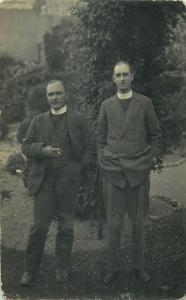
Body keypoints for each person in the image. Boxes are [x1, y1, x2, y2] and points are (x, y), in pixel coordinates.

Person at [19, 80, 93, 285]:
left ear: (65, 94)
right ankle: (30, 270)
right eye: (50, 94)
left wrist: (78, 168)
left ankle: (62, 267)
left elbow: (90, 148)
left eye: (58, 93)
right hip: (45, 183)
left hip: (68, 182)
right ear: (47, 97)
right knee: (39, 228)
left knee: (66, 227)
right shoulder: (38, 120)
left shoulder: (79, 119)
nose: (54, 97)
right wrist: (42, 150)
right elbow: (25, 147)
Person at [97, 61, 162, 284]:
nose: (122, 78)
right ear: (113, 79)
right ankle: (113, 268)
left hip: (138, 171)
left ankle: (138, 266)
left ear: (132, 76)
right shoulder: (106, 105)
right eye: (118, 75)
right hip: (114, 172)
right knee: (114, 223)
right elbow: (100, 138)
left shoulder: (145, 103)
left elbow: (155, 135)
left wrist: (149, 159)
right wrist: (103, 160)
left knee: (138, 223)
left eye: (126, 74)